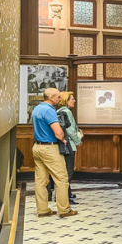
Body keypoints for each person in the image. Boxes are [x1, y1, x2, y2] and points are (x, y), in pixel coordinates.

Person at [32, 88, 77, 218]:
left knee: (41, 181)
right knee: (62, 179)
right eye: (58, 97)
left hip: (37, 147)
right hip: (50, 149)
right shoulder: (49, 110)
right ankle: (64, 210)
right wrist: (63, 138)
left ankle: (42, 210)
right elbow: (58, 132)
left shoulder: (37, 108)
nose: (59, 99)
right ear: (51, 97)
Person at [56, 92, 82, 202]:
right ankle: (64, 197)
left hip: (62, 145)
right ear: (66, 101)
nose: (74, 101)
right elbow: (70, 130)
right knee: (68, 172)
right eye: (72, 99)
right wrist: (78, 141)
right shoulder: (67, 112)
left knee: (64, 170)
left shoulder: (59, 111)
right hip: (69, 145)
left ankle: (68, 193)